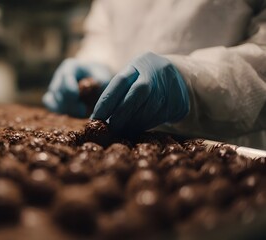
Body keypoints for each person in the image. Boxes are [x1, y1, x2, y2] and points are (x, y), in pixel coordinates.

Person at [43, 0, 266, 149]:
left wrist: (191, 83)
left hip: (222, 150)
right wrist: (96, 64)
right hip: (115, 141)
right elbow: (105, 30)